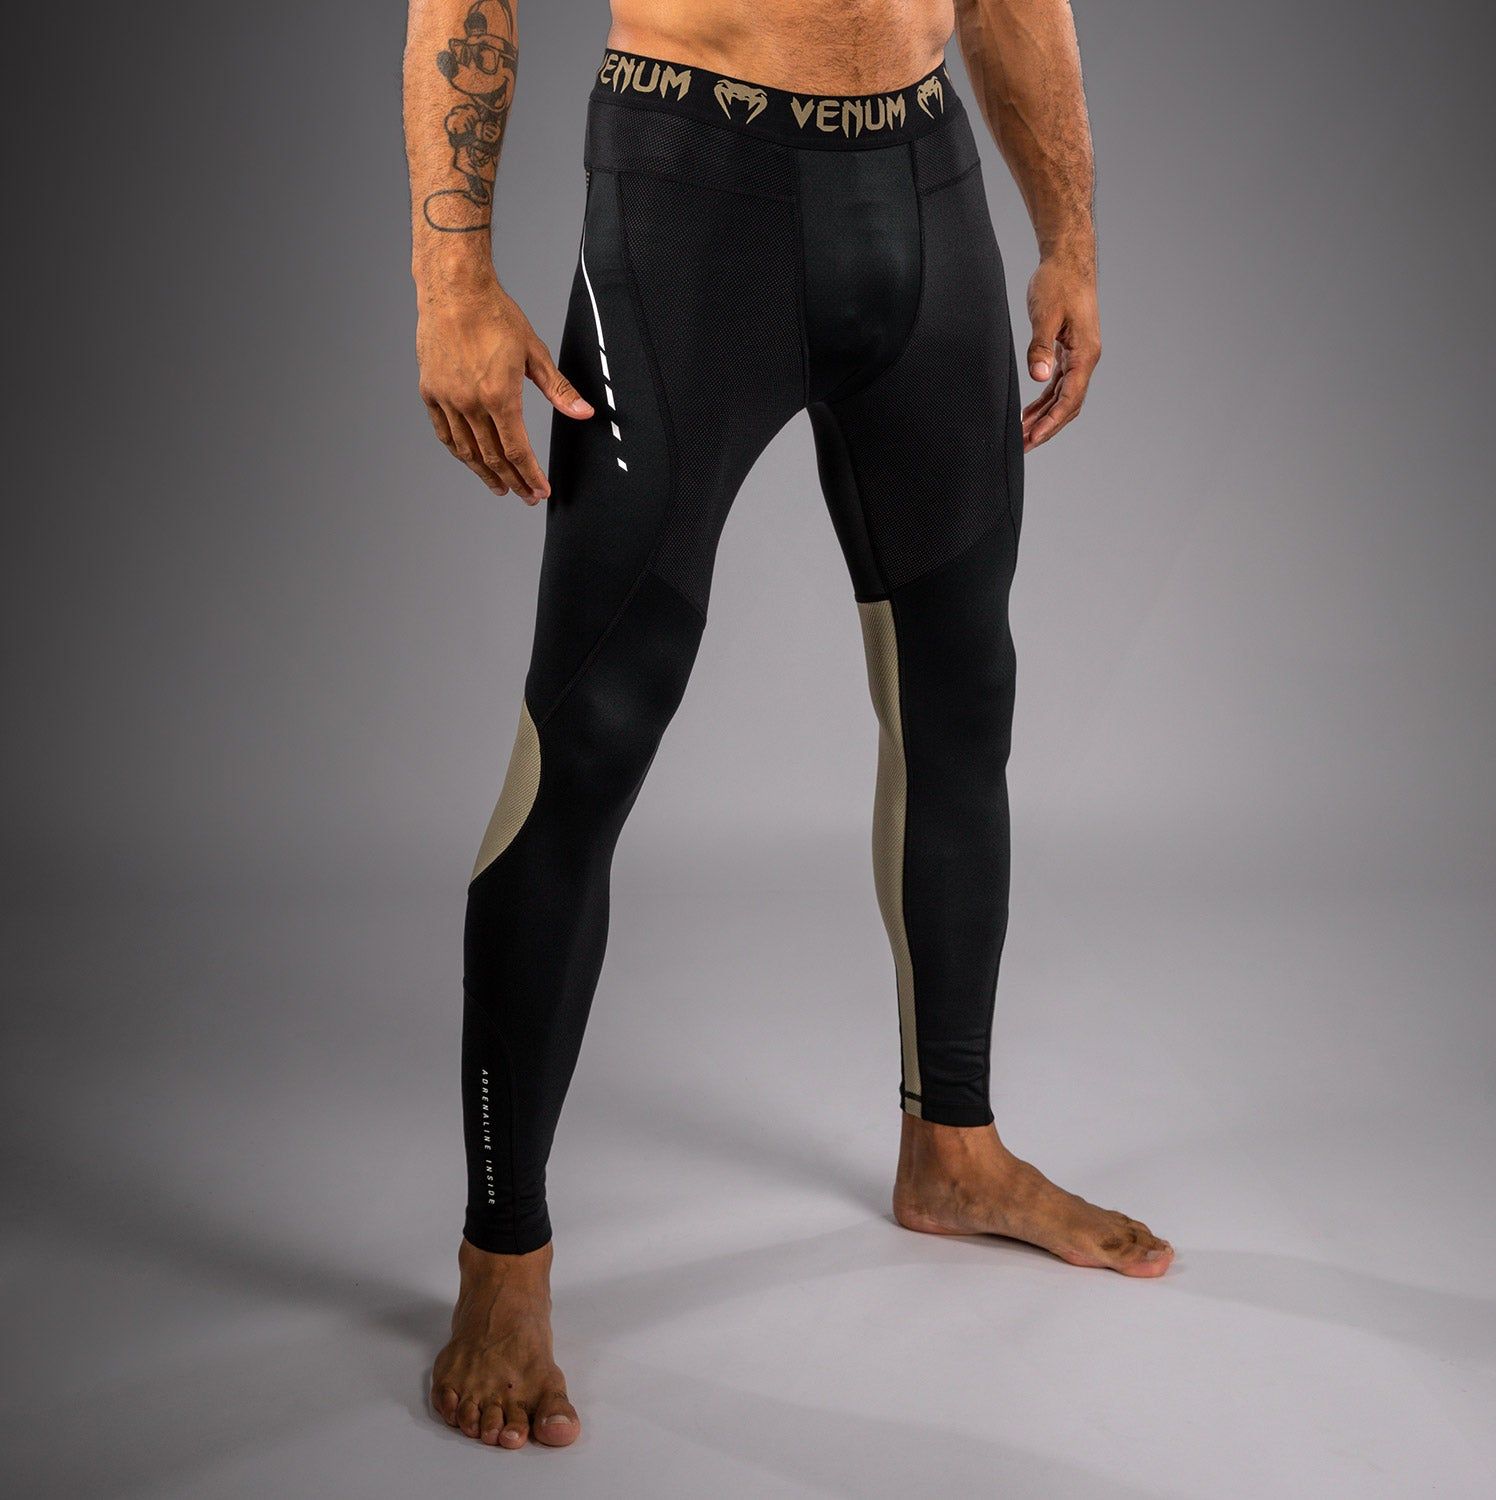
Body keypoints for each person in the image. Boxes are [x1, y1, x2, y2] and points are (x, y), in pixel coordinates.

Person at [402, 0, 1171, 1451]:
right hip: (694, 196)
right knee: (587, 735)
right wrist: (452, 279)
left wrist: (1068, 235)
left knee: (962, 697)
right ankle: (502, 1257)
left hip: (926, 190)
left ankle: (953, 1146)